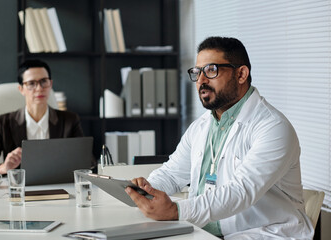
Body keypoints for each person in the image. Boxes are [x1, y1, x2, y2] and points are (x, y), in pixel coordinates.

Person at [126, 37, 314, 239]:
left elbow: (240, 192)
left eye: (211, 70)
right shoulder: (200, 127)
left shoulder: (273, 128)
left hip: (264, 232)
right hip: (203, 232)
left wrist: (176, 211)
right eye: (197, 72)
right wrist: (147, 190)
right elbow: (172, 174)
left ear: (241, 74)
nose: (201, 81)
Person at [0, 59, 84, 175]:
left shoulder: (70, 120)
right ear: (21, 89)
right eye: (31, 84)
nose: (39, 88)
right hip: (20, 189)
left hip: (59, 186)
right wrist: (4, 168)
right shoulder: (3, 123)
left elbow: (87, 161)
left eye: (43, 81)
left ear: (50, 84)